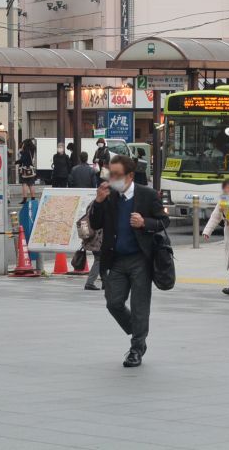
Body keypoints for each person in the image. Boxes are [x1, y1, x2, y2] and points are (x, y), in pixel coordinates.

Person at [86, 155, 168, 367]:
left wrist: (145, 222)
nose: (111, 179)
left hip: (141, 258)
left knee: (140, 305)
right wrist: (98, 201)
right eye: (109, 174)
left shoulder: (147, 195)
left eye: (116, 175)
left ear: (130, 176)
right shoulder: (109, 196)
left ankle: (137, 348)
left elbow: (163, 220)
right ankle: (137, 328)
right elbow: (95, 223)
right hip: (116, 259)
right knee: (113, 302)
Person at [202, 177, 229, 296]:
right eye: (224, 188)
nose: (226, 190)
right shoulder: (224, 198)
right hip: (228, 230)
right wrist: (207, 231)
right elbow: (216, 216)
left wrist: (227, 208)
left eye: (228, 187)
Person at [81, 181, 109, 291]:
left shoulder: (92, 203)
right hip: (98, 238)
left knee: (101, 260)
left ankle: (105, 283)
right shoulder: (98, 205)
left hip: (93, 238)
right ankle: (90, 282)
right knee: (99, 260)